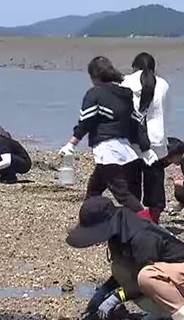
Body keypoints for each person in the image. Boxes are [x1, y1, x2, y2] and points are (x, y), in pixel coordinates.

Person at [66, 196, 184, 320]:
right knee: (120, 268)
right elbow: (126, 276)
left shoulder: (141, 235)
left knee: (146, 276)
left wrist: (115, 298)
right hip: (174, 277)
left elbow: (140, 279)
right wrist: (100, 296)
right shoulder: (120, 230)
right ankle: (162, 314)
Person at [59, 56, 157, 216]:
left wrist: (71, 144)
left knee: (123, 195)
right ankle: (86, 222)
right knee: (94, 189)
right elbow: (135, 122)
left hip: (107, 152)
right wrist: (145, 148)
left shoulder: (94, 94)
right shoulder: (125, 93)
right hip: (126, 151)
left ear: (94, 76)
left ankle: (149, 225)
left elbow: (85, 123)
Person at [121, 53, 171, 224]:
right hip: (156, 141)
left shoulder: (126, 82)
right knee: (155, 182)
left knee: (131, 182)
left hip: (133, 141)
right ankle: (153, 220)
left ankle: (132, 219)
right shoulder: (163, 84)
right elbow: (166, 112)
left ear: (134, 67)